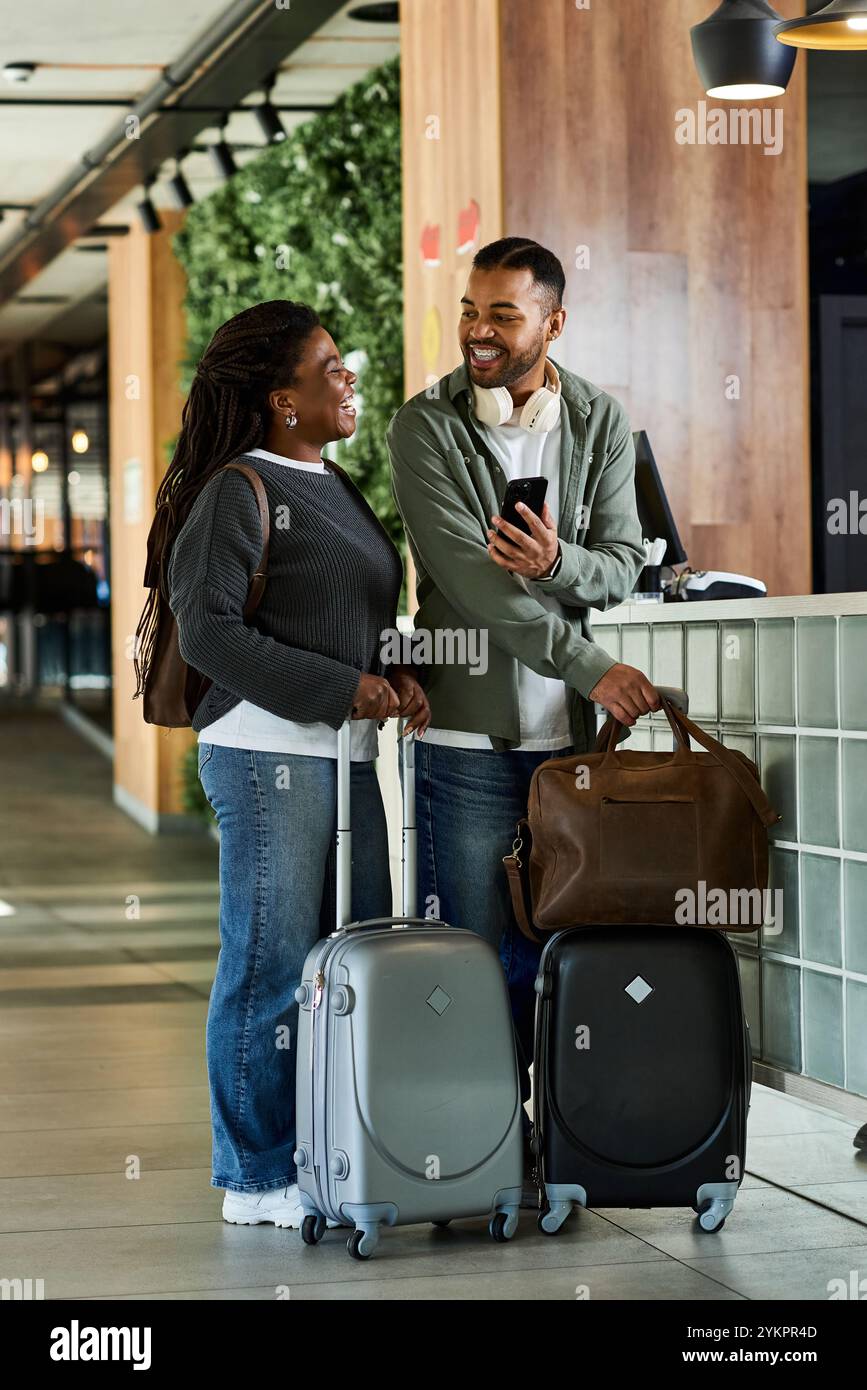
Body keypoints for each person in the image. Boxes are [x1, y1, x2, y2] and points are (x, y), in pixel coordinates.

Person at [143, 300, 429, 1227]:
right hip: (267, 758)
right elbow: (215, 634)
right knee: (267, 969)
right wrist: (339, 687)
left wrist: (394, 671)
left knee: (338, 959)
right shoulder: (237, 489)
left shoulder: (332, 482)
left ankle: (321, 1145)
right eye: (329, 367)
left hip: (341, 754)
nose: (348, 378)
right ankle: (254, 1176)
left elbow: (344, 610)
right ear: (281, 397)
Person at [388, 238, 658, 1182]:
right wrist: (587, 662)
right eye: (470, 310)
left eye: (504, 314)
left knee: (561, 949)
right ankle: (478, 1150)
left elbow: (627, 560)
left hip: (568, 750)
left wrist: (555, 565)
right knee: (470, 957)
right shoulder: (424, 427)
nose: (479, 332)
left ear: (553, 321)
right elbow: (468, 587)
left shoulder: (599, 419)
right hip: (467, 742)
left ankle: (556, 1142)